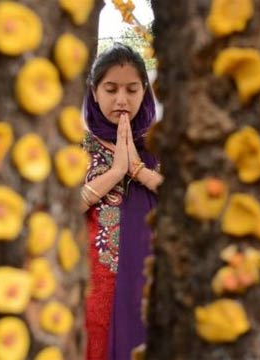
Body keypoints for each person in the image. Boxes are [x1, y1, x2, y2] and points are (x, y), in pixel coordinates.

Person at [80, 43, 163, 360]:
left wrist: (139, 171)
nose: (121, 100)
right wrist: (115, 173)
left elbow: (185, 201)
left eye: (131, 89)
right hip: (95, 282)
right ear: (94, 91)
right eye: (110, 89)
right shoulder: (77, 145)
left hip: (150, 280)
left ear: (145, 91)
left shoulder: (160, 143)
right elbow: (64, 205)